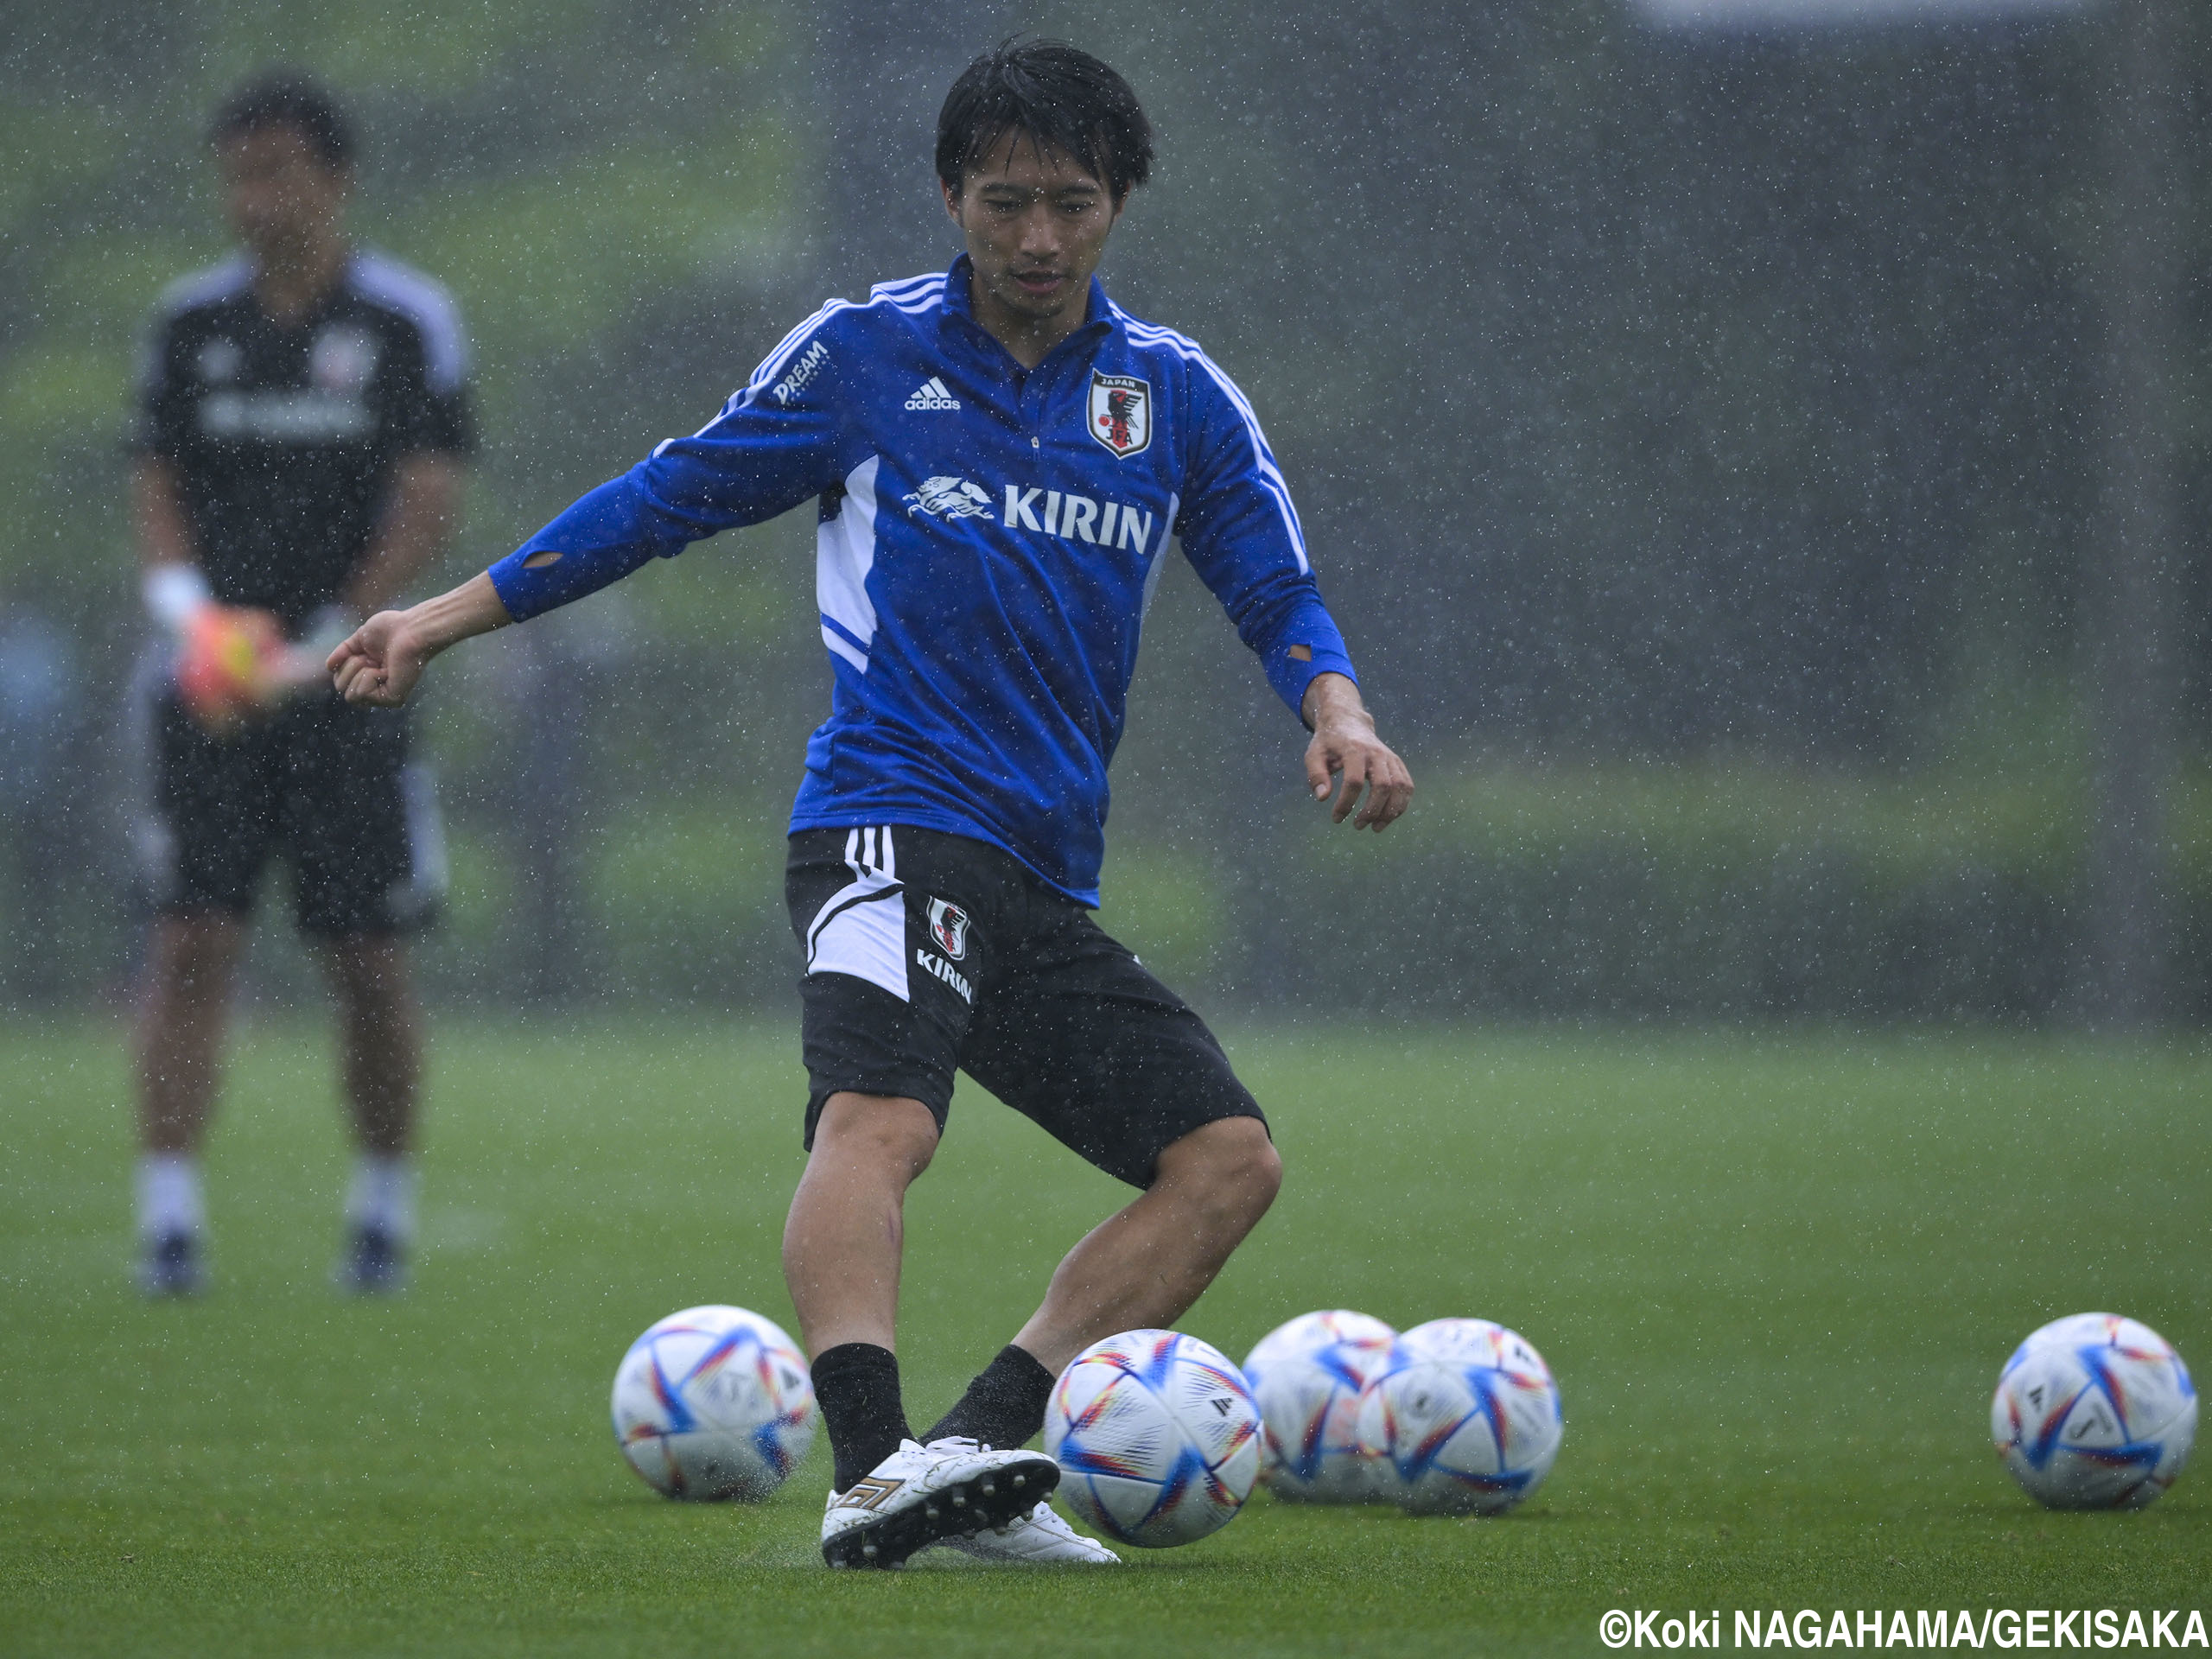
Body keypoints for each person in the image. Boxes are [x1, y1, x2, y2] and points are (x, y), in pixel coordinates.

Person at [329, 40, 1411, 1565]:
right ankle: (867, 1465)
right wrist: (438, 620)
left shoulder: (1171, 399)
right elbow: (669, 495)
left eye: (1074, 206)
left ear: (1121, 206)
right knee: (881, 1119)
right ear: (950, 195)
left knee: (1228, 1160)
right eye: (1006, 202)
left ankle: (973, 1451)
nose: (1037, 240)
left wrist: (1341, 710)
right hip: (885, 823)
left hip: (1041, 870)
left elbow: (1272, 578)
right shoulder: (862, 357)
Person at [132, 72, 473, 1296]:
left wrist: (334, 633)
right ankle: (168, 1219)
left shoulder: (402, 324)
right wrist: (192, 618)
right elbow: (158, 481)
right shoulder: (189, 326)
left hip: (353, 681)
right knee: (190, 939)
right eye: (235, 173)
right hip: (209, 687)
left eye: (274, 171)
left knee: (367, 953)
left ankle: (380, 1211)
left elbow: (429, 492)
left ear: (334, 179)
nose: (252, 198)